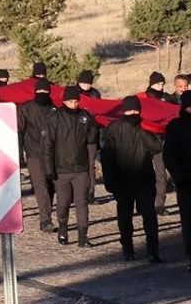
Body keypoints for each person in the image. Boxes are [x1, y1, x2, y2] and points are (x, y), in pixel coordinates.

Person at [101, 96, 164, 263]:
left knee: (149, 216)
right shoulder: (114, 129)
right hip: (123, 181)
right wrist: (110, 181)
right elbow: (107, 157)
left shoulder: (145, 127)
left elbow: (157, 147)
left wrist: (144, 130)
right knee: (125, 217)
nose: (133, 114)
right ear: (123, 111)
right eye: (129, 111)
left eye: (136, 111)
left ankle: (153, 251)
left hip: (144, 180)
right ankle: (128, 249)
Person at [45, 86, 98, 247]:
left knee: (81, 202)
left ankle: (83, 236)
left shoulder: (84, 117)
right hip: (62, 169)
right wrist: (49, 169)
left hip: (80, 167)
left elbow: (91, 140)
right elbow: (48, 145)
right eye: (70, 102)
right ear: (64, 101)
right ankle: (62, 227)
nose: (74, 104)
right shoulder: (55, 118)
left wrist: (93, 126)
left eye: (76, 101)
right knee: (63, 202)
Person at [18, 78, 57, 232]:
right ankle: (45, 220)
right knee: (40, 185)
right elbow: (20, 132)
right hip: (33, 152)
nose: (42, 94)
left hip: (52, 154)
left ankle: (46, 212)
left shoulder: (54, 109)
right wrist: (20, 155)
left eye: (45, 91)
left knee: (51, 186)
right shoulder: (26, 109)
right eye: (40, 91)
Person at [163, 91, 191, 272]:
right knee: (189, 221)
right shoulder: (176, 127)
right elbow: (169, 155)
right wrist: (178, 177)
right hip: (186, 182)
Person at [141, 72, 176, 214]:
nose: (161, 87)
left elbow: (174, 113)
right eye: (158, 84)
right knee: (144, 172)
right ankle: (143, 201)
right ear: (151, 83)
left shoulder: (167, 98)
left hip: (161, 139)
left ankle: (160, 205)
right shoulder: (143, 98)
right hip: (144, 138)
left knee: (161, 174)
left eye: (162, 84)